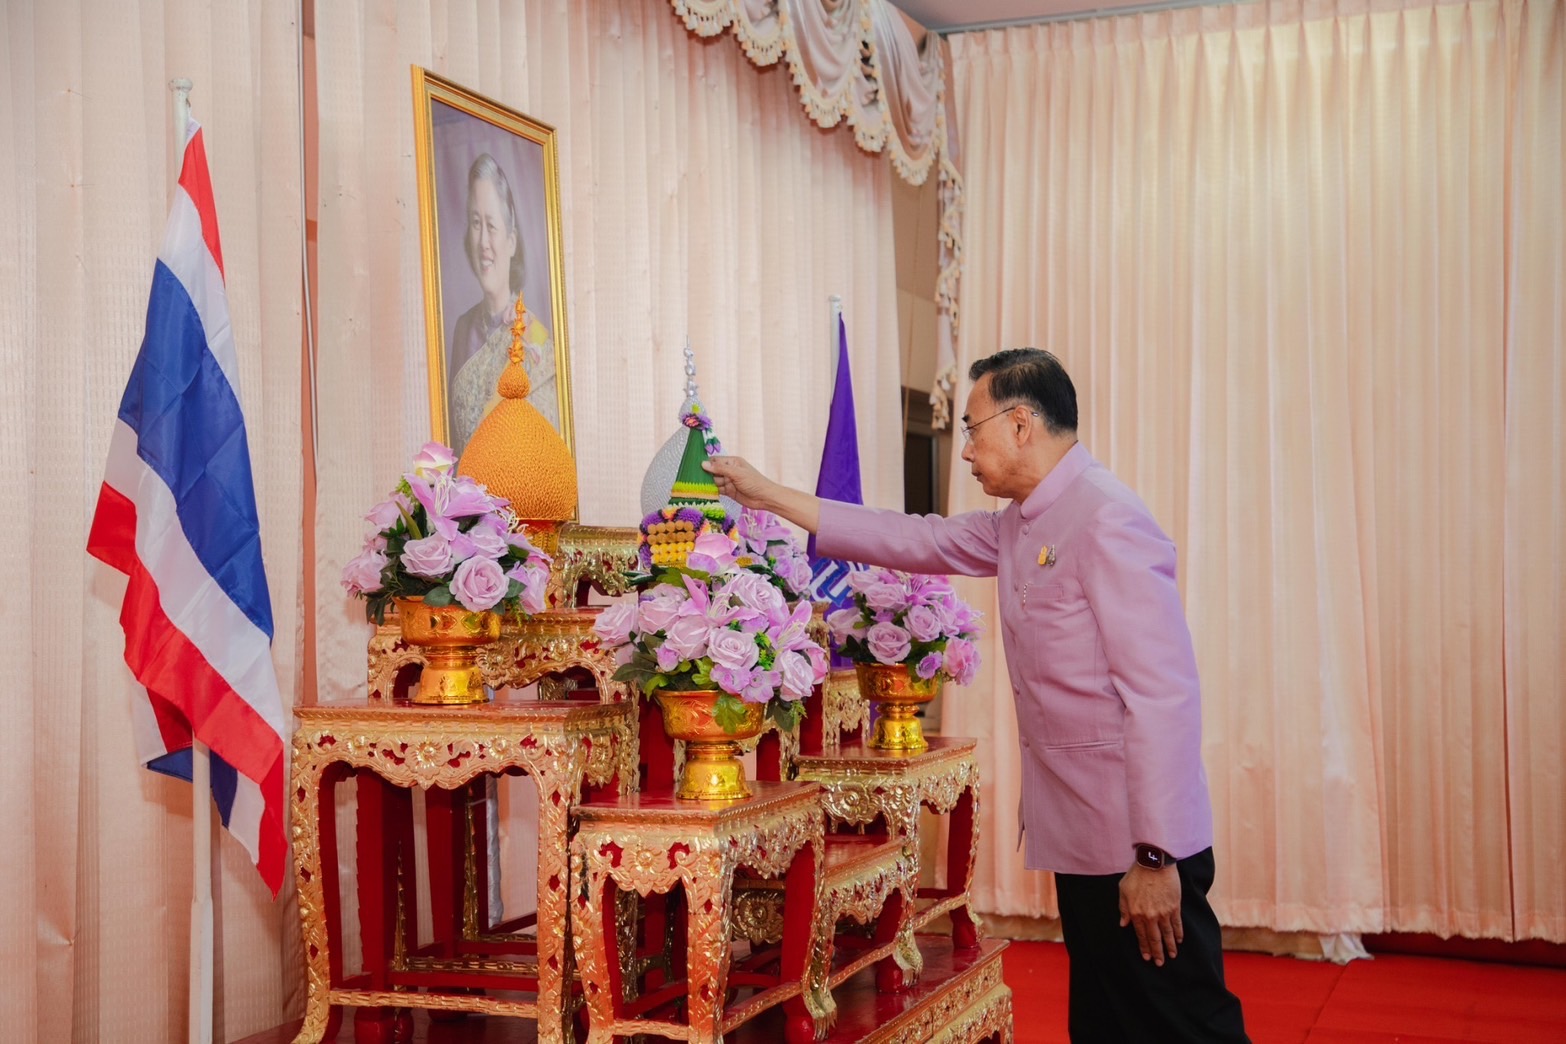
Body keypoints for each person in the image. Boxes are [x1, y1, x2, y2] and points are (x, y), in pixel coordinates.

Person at [704, 348, 1248, 1043]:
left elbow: (1162, 694)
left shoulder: (1106, 517)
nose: (965, 450)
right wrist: (769, 495)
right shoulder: (1021, 521)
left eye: (972, 428)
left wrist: (1155, 855)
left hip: (1137, 843)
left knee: (1184, 1026)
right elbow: (911, 537)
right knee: (1109, 1024)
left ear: (1021, 424)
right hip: (1083, 835)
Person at [447, 153, 557, 450]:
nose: (483, 241)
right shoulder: (462, 329)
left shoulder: (535, 336)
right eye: (475, 223)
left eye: (491, 226)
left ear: (511, 241)